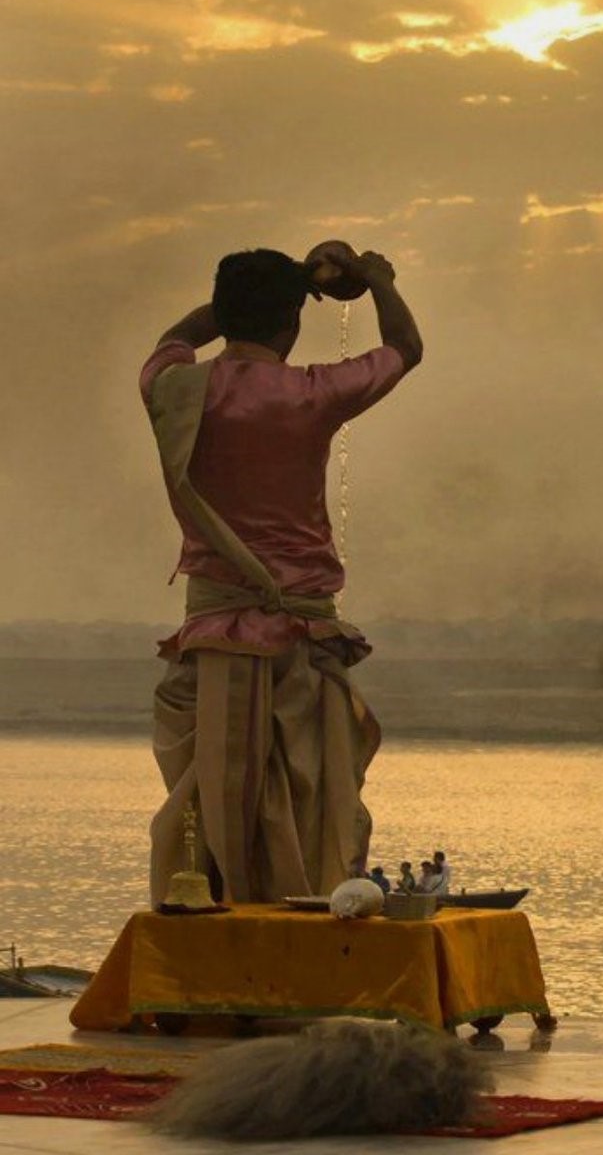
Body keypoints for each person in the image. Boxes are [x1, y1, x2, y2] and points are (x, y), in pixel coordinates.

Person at [141, 241, 423, 905]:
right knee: (307, 807)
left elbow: (178, 336)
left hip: (211, 640)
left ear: (224, 307)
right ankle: (298, 939)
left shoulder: (173, 386)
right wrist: (376, 280)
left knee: (207, 812)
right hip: (299, 644)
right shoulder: (309, 394)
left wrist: (287, 280)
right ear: (293, 322)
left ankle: (202, 937)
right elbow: (406, 346)